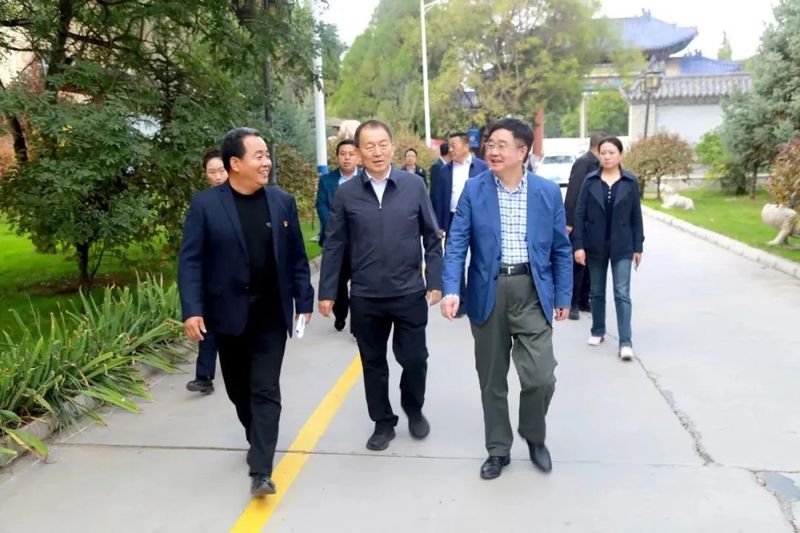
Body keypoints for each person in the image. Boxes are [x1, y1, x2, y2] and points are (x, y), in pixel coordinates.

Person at [178, 127, 314, 497]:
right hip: (228, 316)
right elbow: (191, 262)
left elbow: (296, 257)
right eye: (259, 156)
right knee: (239, 390)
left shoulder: (282, 202)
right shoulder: (206, 205)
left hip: (270, 314)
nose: (267, 162)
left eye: (267, 154)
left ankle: (261, 470)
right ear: (235, 163)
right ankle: (257, 437)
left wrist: (304, 300)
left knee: (266, 389)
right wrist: (192, 310)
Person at [441, 118, 572, 480]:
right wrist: (451, 289)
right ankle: (498, 449)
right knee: (492, 378)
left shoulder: (547, 191)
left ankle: (533, 434)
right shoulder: (474, 190)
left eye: (501, 145)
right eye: (490, 145)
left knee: (541, 377)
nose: (493, 151)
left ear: (522, 151)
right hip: (488, 290)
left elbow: (561, 249)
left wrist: (563, 294)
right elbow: (456, 243)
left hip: (532, 291)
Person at [318, 120, 443, 452]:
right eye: (369, 146)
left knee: (415, 359)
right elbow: (334, 244)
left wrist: (434, 279)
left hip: (408, 292)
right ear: (359, 153)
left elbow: (432, 236)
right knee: (373, 364)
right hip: (366, 296)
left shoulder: (413, 185)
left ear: (392, 147)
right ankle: (383, 422)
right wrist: (328, 291)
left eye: (383, 144)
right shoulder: (346, 194)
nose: (377, 152)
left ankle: (413, 408)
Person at [572, 136, 644, 362]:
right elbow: (580, 214)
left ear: (620, 155)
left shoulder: (629, 182)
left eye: (611, 152)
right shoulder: (591, 181)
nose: (607, 156)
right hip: (595, 244)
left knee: (622, 293)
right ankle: (598, 330)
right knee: (596, 291)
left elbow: (636, 216)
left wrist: (638, 246)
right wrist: (578, 245)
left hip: (622, 245)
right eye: (603, 153)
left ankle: (625, 342)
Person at [185, 148, 228, 395]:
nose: (218, 176)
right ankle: (203, 376)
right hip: (211, 277)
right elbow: (192, 248)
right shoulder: (202, 203)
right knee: (208, 327)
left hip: (238, 278)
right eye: (212, 172)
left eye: (221, 170)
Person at [315, 139, 359, 333]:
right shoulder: (327, 180)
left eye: (351, 154)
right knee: (339, 284)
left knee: (360, 285)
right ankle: (340, 314)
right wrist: (334, 227)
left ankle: (357, 324)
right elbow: (322, 205)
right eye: (342, 154)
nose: (347, 158)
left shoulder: (365, 178)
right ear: (337, 157)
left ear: (358, 156)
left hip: (361, 243)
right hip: (336, 242)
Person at [564, 132, 606, 320]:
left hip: (597, 222)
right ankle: (572, 302)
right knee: (577, 264)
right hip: (580, 221)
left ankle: (584, 299)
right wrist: (568, 221)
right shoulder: (584, 163)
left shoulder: (602, 165)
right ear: (598, 146)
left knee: (590, 264)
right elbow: (573, 191)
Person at [430, 131, 489, 233]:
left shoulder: (482, 168)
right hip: (452, 218)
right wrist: (439, 225)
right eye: (449, 146)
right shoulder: (444, 170)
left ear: (466, 147)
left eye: (453, 146)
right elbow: (439, 199)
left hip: (476, 219)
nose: (450, 150)